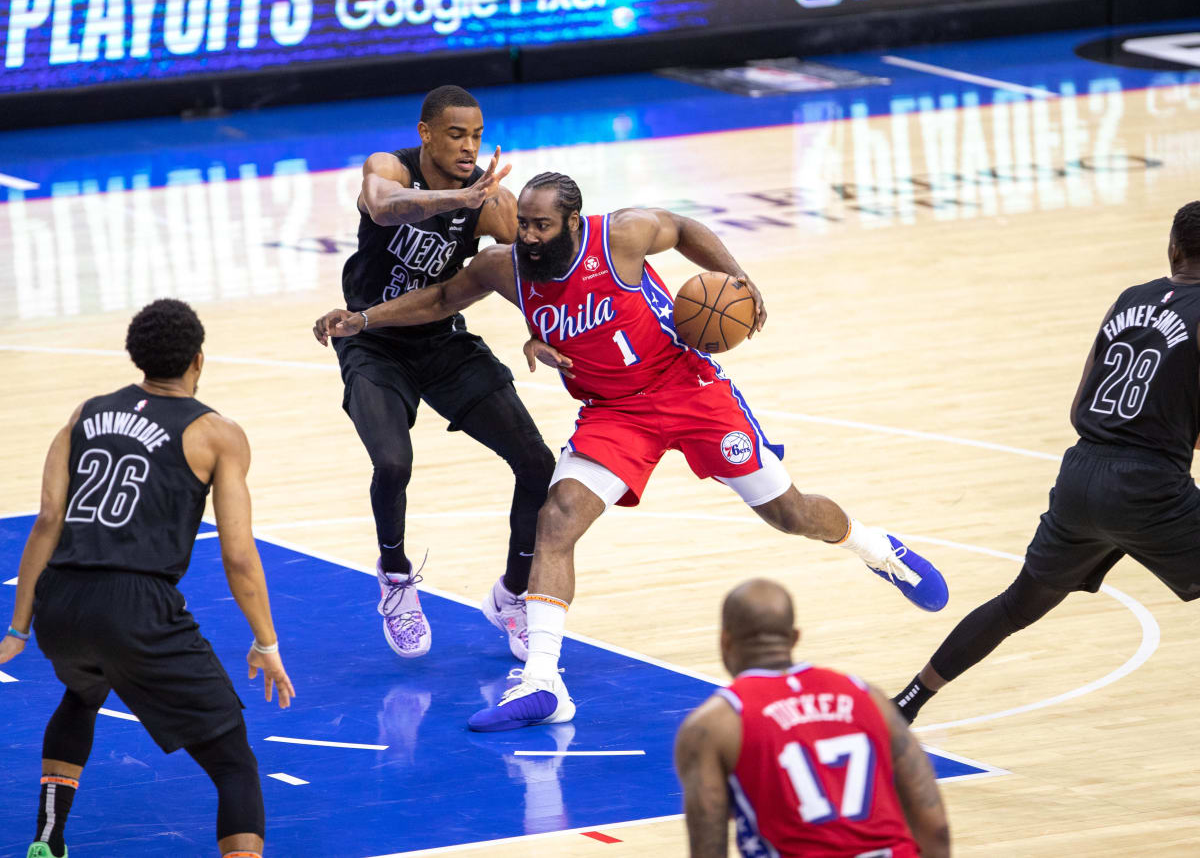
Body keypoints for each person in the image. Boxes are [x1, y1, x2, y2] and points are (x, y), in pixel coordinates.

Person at [314, 171, 948, 731]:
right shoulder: (503, 267)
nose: (527, 236)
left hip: (690, 388)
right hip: (616, 414)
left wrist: (739, 281)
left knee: (790, 514)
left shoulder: (620, 235)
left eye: (540, 226)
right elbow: (443, 298)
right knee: (556, 519)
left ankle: (875, 548)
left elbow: (686, 226)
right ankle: (542, 682)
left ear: (572, 222)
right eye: (523, 225)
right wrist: (365, 320)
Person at [0, 299, 294, 858]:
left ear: (136, 357)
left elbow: (46, 521)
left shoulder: (85, 413)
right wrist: (266, 642)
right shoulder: (217, 433)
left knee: (83, 691)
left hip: (60, 602)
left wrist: (19, 628)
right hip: (136, 605)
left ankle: (46, 839)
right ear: (198, 361)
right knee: (234, 761)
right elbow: (238, 556)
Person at [893, 201, 1200, 724]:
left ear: (1173, 250)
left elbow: (1081, 400)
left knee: (1018, 605)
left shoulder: (1128, 299)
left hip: (1081, 475)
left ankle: (908, 702)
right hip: (1148, 485)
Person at [316, 84, 555, 661]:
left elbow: (529, 268)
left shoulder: (490, 201)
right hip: (368, 337)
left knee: (537, 462)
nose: (469, 146)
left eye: (476, 135)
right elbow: (383, 205)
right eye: (456, 135)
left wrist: (541, 325)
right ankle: (395, 577)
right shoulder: (387, 166)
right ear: (425, 134)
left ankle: (513, 594)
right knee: (393, 462)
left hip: (441, 340)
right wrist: (457, 201)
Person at [674, 579, 951, 858]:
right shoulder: (868, 697)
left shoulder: (714, 725)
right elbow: (936, 830)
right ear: (794, 638)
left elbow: (708, 851)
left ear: (725, 640)